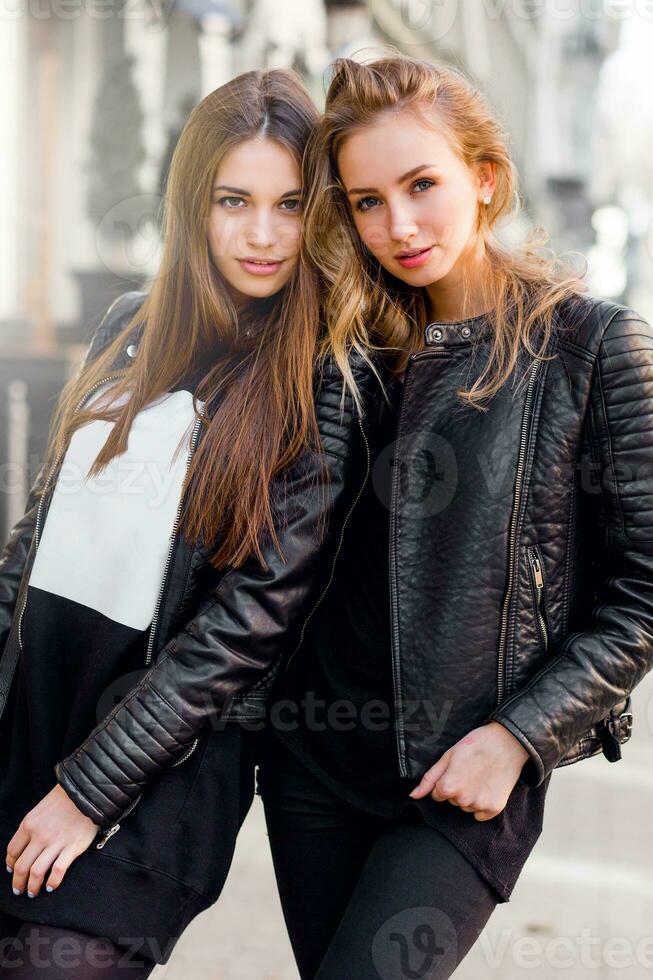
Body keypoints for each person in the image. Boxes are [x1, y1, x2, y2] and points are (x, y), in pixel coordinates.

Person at [257, 54, 653, 980]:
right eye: (364, 201)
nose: (397, 225)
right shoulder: (342, 346)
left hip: (461, 780)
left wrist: (519, 737)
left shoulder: (591, 348)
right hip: (312, 769)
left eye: (421, 184)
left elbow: (641, 594)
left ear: (483, 177)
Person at [0, 68, 378, 976]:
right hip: (28, 715)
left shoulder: (323, 375)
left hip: (154, 780)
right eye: (233, 199)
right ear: (191, 204)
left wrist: (86, 794)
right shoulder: (131, 322)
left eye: (290, 205)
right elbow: (39, 532)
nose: (261, 233)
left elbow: (246, 627)